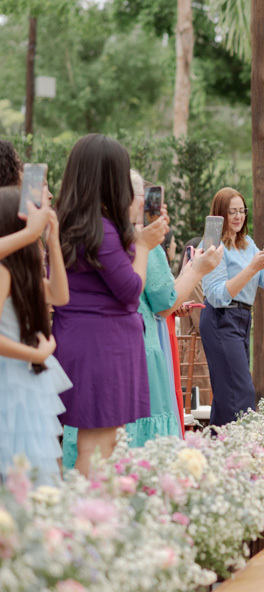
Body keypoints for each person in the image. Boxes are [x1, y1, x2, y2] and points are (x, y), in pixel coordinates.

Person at [61, 173, 222, 467]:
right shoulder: (139, 242)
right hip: (137, 344)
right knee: (133, 435)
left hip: (93, 343)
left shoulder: (92, 233)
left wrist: (190, 271)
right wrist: (198, 270)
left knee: (97, 436)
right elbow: (163, 302)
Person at [53, 134, 169, 476]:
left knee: (107, 443)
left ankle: (99, 519)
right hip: (101, 346)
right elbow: (131, 291)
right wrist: (145, 246)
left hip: (89, 341)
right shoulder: (99, 229)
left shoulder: (76, 224)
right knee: (98, 445)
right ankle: (90, 523)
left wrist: (138, 234)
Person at [0, 185, 70, 484]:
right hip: (10, 377)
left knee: (32, 467)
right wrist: (35, 354)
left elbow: (59, 295)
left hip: (26, 379)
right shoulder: (3, 272)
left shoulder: (23, 274)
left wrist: (52, 241)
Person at [200, 187, 264, 426]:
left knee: (228, 392)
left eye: (242, 211)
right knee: (240, 391)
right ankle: (242, 450)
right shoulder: (213, 245)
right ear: (220, 214)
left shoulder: (247, 243)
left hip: (242, 319)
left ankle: (219, 451)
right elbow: (217, 295)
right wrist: (253, 268)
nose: (238, 216)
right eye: (232, 212)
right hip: (220, 318)